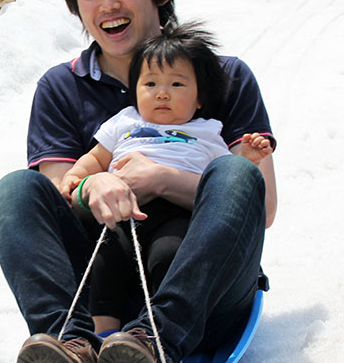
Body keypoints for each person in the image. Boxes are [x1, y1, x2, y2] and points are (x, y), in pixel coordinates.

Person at [0, 0, 277, 363]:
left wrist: (164, 179)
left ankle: (157, 342)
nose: (108, 5)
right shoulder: (62, 88)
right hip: (104, 289)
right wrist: (91, 185)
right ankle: (72, 348)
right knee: (16, 190)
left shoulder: (223, 77)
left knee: (234, 170)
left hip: (206, 294)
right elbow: (61, 190)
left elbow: (261, 204)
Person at [57, 24, 273, 336]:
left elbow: (225, 189)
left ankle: (152, 331)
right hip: (122, 208)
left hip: (177, 213)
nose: (162, 92)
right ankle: (99, 336)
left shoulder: (208, 131)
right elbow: (97, 158)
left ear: (199, 98)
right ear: (136, 91)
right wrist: (77, 176)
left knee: (170, 255)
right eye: (151, 83)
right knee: (106, 255)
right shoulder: (125, 122)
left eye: (176, 84)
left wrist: (247, 160)